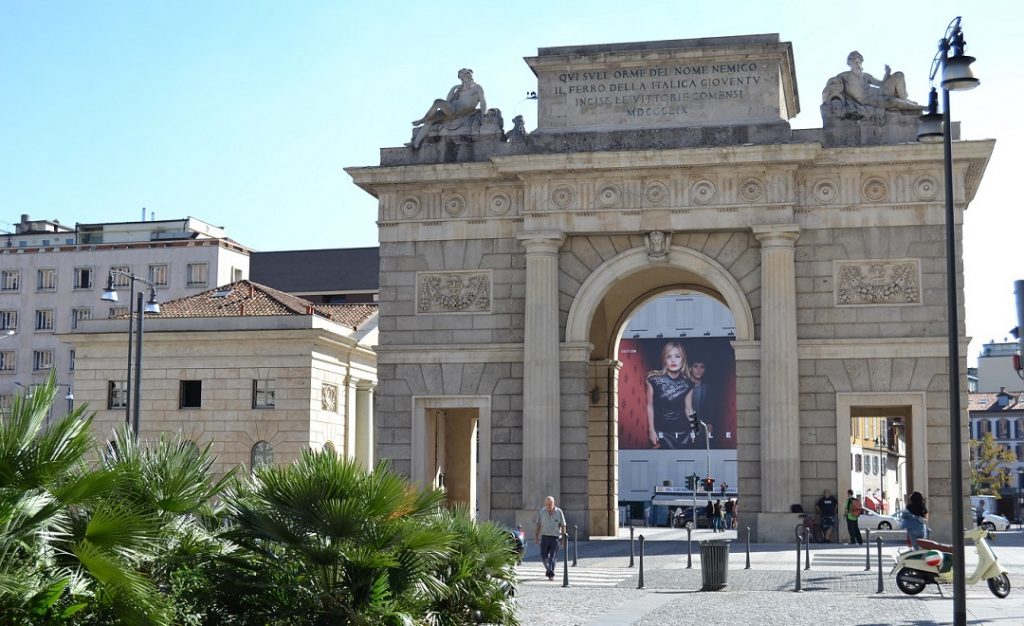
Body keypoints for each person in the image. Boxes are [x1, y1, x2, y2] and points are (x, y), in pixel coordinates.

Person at [410, 68, 487, 149]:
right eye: (463, 74)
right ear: (460, 77)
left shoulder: (477, 87)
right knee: (429, 121)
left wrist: (484, 113)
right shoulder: (459, 89)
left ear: (471, 75)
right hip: (451, 110)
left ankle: (422, 120)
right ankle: (416, 143)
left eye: (468, 73)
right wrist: (453, 89)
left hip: (458, 111)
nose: (466, 75)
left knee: (438, 102)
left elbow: (483, 102)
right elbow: (448, 102)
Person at [831, 51, 920, 112]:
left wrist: (887, 72)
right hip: (871, 100)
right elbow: (832, 86)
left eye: (859, 62)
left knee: (899, 75)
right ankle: (917, 107)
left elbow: (881, 83)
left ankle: (904, 100)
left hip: (881, 92)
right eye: (855, 62)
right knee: (893, 101)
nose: (858, 65)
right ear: (849, 63)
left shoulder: (865, 76)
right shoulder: (844, 76)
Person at [645, 341, 696, 449]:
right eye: (669, 357)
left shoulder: (688, 383)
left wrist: (695, 430)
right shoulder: (653, 380)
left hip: (684, 432)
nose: (673, 360)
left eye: (677, 356)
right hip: (662, 431)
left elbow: (689, 409)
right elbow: (650, 406)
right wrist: (651, 430)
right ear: (664, 360)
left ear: (683, 359)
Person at [534, 495, 567, 580]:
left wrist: (563, 539)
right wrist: (536, 536)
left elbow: (563, 526)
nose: (548, 506)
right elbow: (538, 525)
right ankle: (549, 570)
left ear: (553, 503)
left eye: (550, 504)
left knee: (553, 557)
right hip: (545, 537)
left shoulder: (559, 512)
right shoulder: (542, 512)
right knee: (543, 555)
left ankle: (550, 574)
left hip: (555, 538)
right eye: (547, 504)